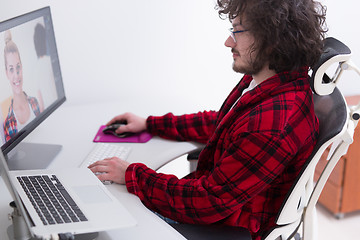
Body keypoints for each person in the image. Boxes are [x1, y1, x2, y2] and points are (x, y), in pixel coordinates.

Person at [88, 0, 327, 239]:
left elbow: (208, 201)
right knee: (109, 202)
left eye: (238, 31)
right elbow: (222, 123)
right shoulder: (270, 79)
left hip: (222, 224)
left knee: (105, 221)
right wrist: (150, 124)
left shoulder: (273, 126)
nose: (228, 42)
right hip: (214, 203)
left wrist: (132, 174)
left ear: (272, 41)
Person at [3, 30, 42, 141]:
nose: (16, 75)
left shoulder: (34, 103)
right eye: (11, 69)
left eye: (18, 67)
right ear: (7, 73)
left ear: (22, 67)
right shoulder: (8, 123)